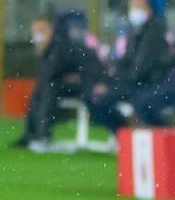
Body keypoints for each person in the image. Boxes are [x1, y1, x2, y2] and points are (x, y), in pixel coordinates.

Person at [15, 13, 117, 148]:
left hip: (88, 83)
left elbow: (52, 71)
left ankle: (42, 135)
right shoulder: (55, 44)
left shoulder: (60, 44)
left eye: (41, 30)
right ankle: (31, 134)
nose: (38, 35)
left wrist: (43, 51)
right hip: (74, 83)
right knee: (41, 89)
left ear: (51, 29)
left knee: (48, 89)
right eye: (35, 31)